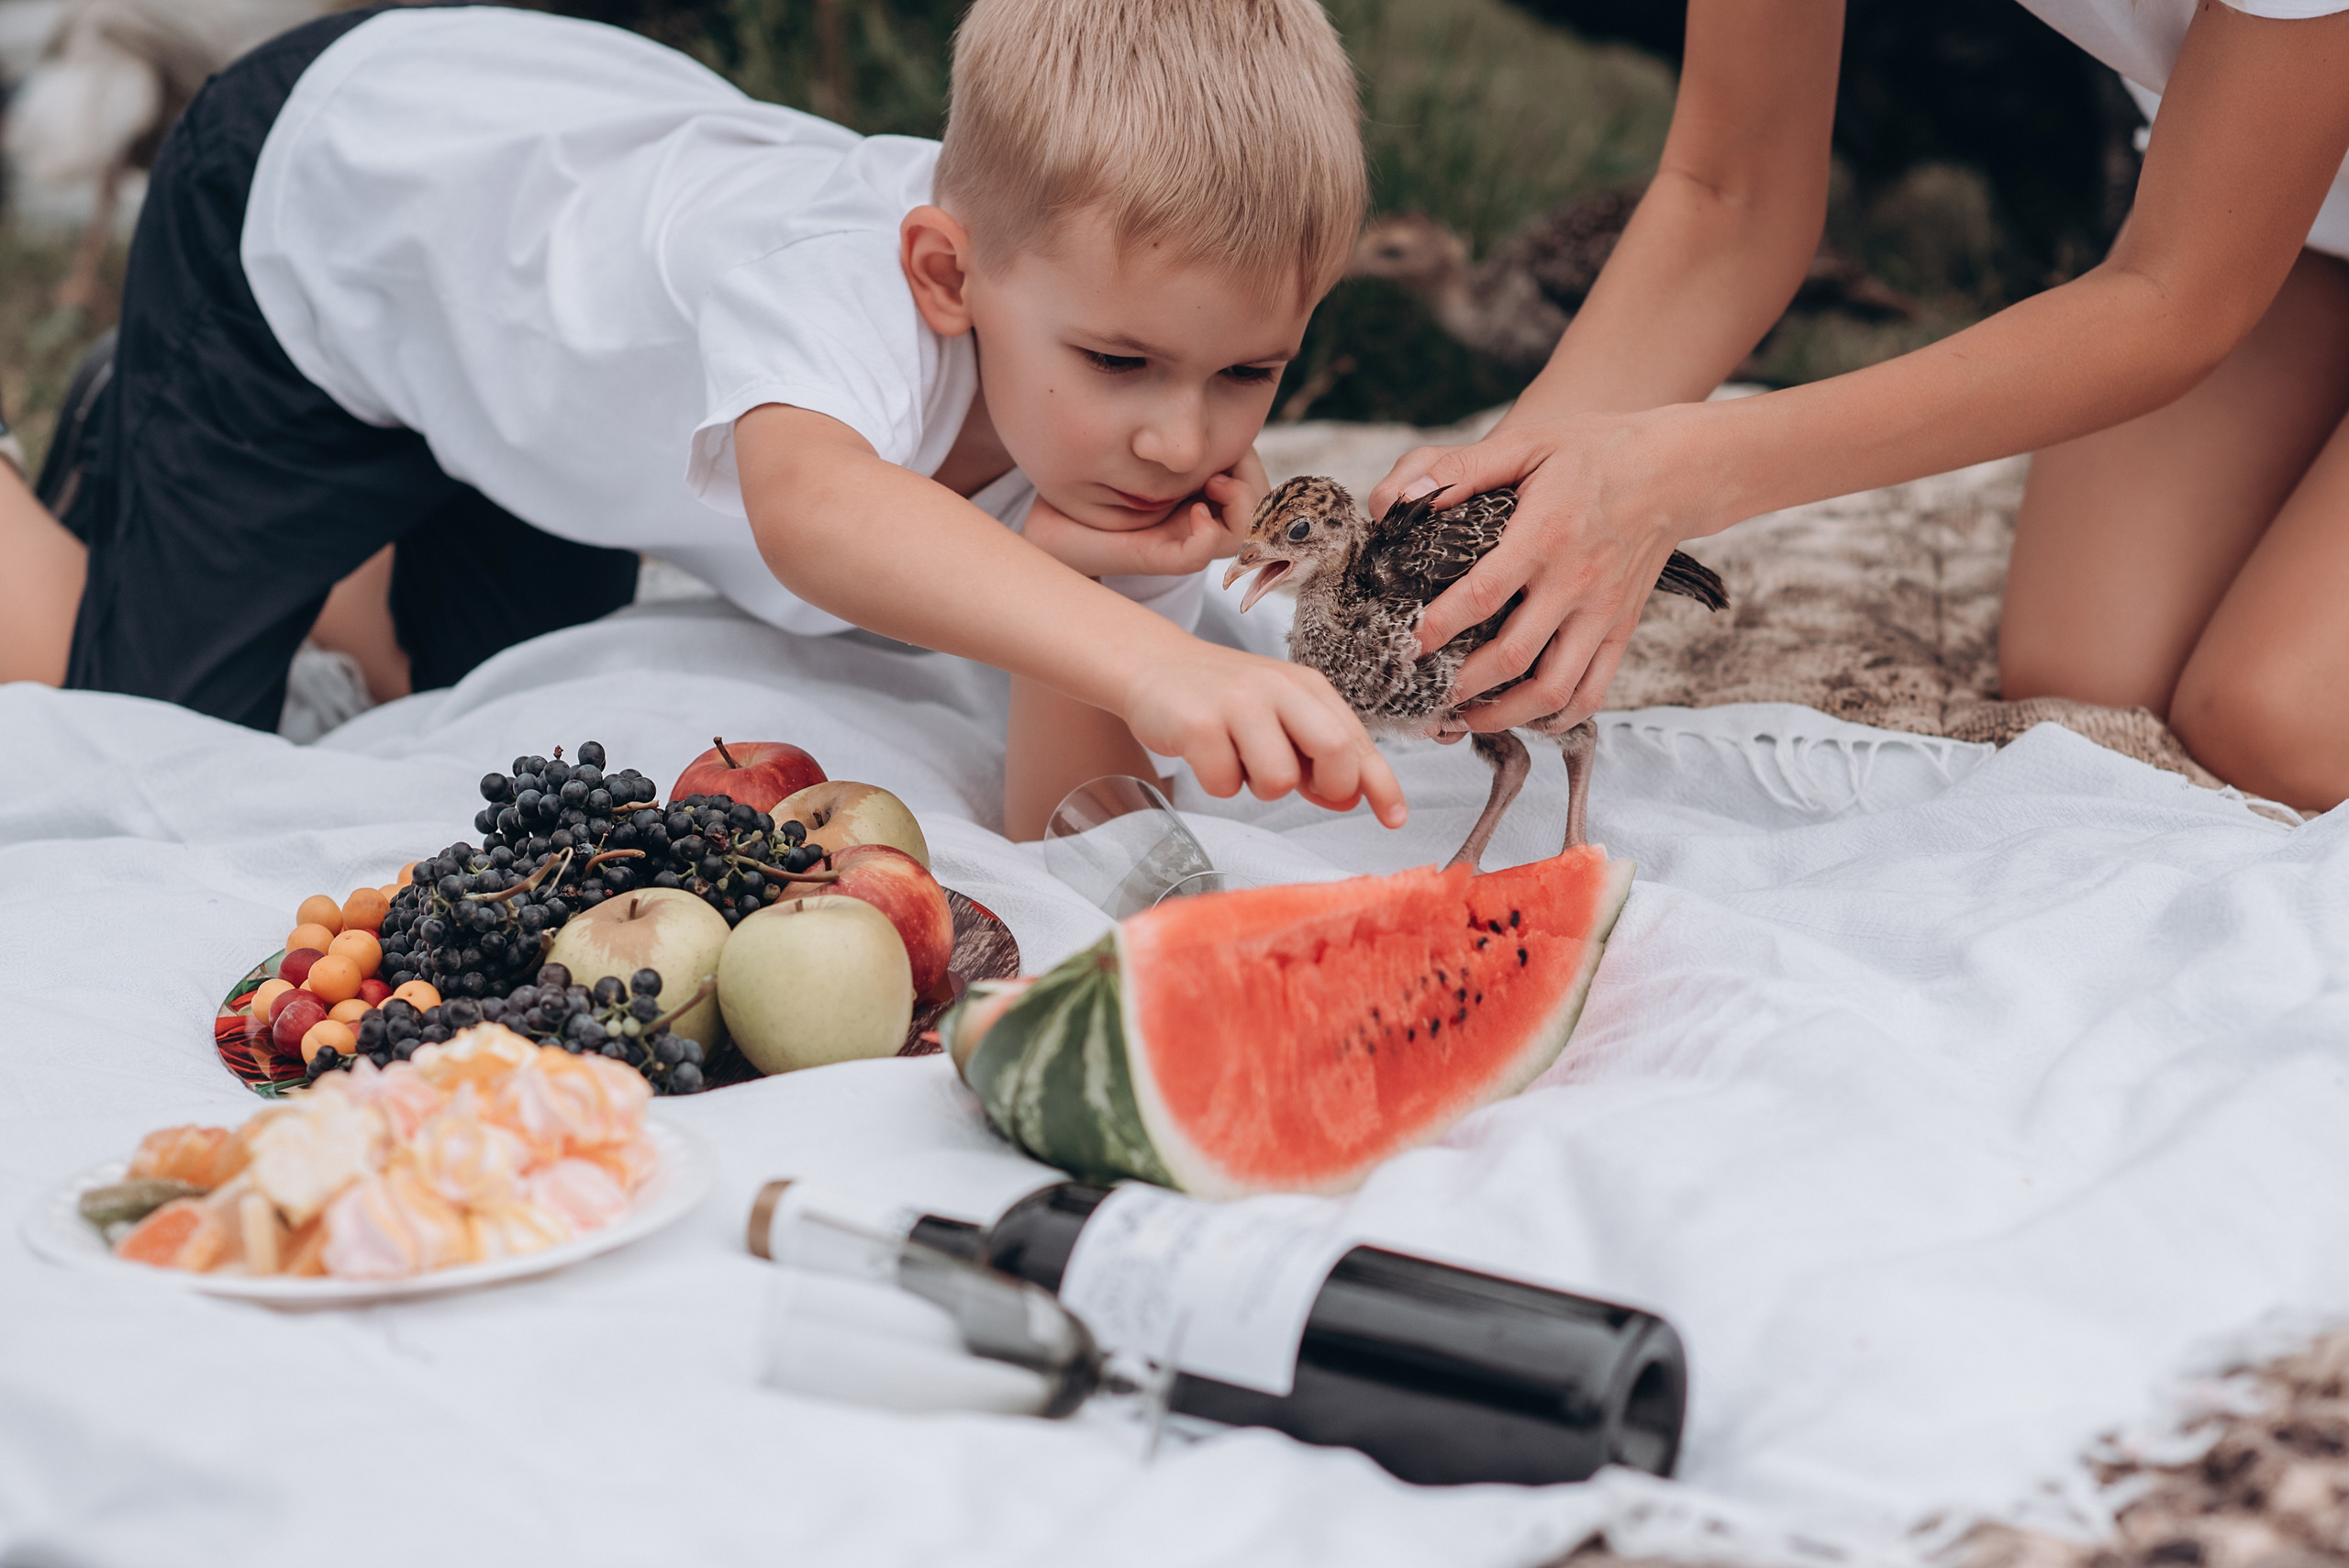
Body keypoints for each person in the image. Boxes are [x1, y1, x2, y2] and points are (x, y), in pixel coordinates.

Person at [0, 0, 1406, 842]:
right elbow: (817, 513)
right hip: (322, 213)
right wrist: (1164, 667)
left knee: (459, 711)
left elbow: (1063, 822)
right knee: (146, 750)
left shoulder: (1135, 412)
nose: (1182, 438)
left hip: (523, 340)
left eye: (1248, 375)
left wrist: (1097, 596)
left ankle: (322, 531)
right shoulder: (831, 276)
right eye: (1122, 364)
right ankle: (129, 443)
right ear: (942, 275)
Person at [1370, 0, 2349, 814]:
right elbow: (1730, 193)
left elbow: (2175, 301)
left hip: (2212, 256)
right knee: (2091, 681)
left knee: (2275, 724)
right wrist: (1503, 510)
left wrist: (1676, 474)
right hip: (2285, 201)